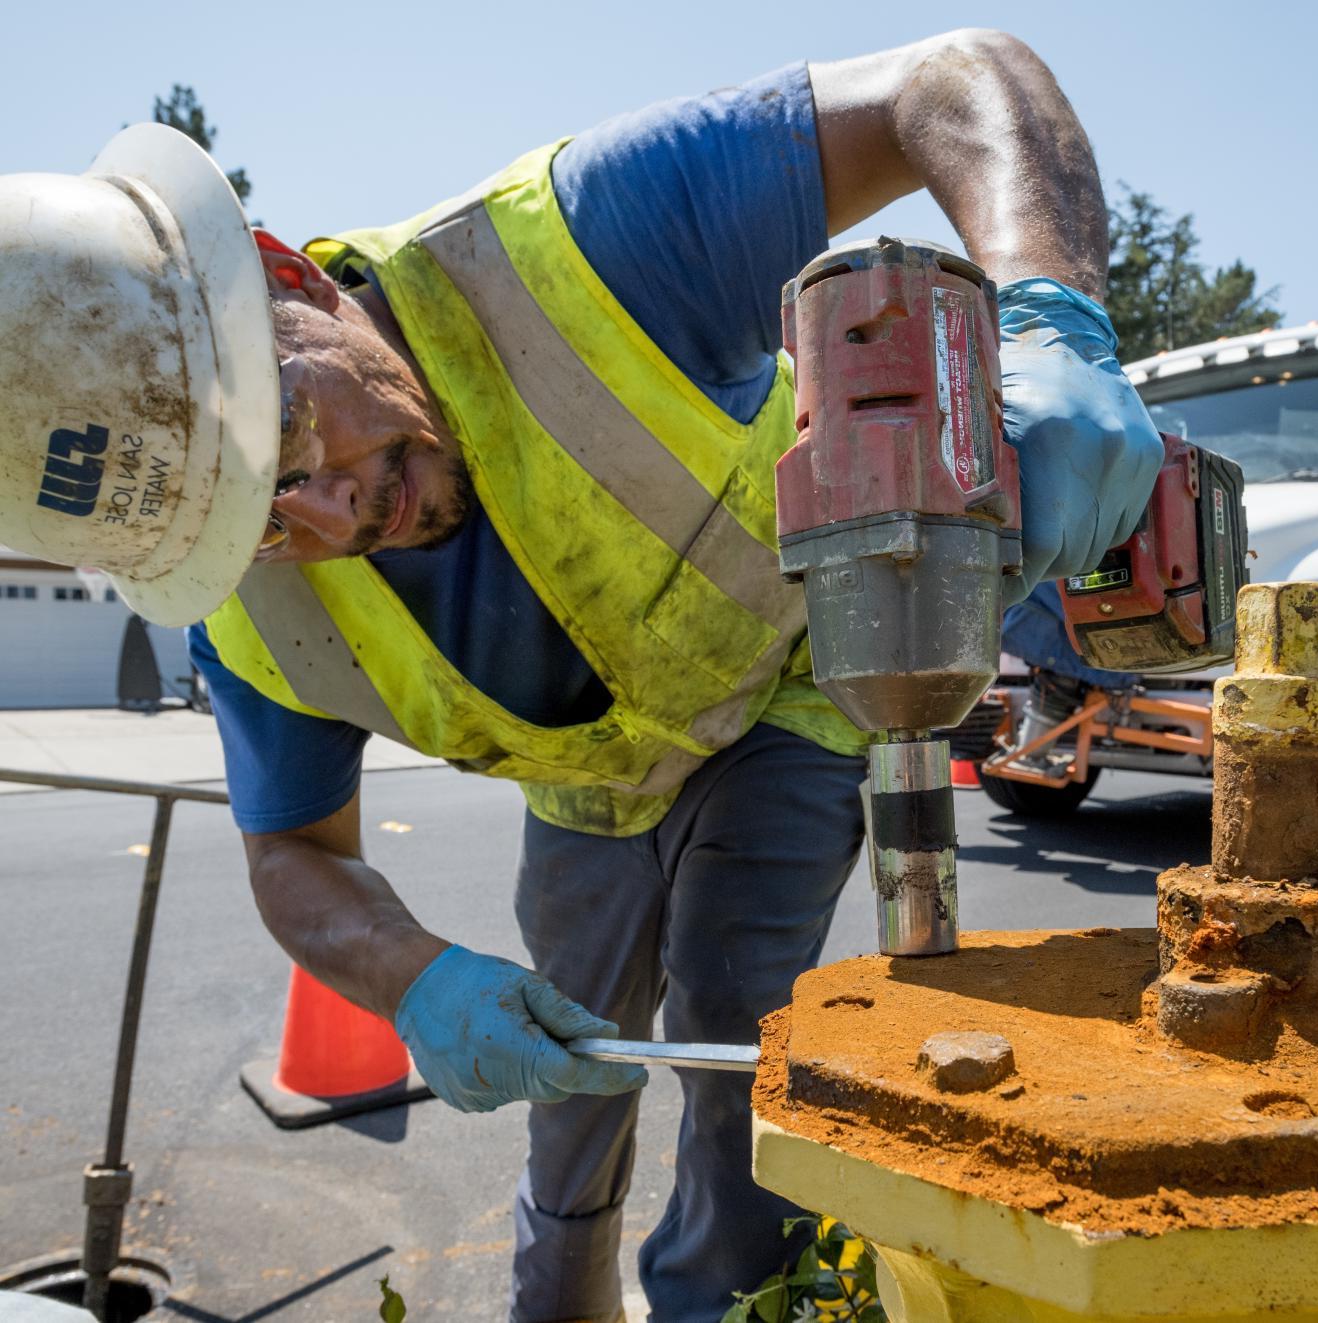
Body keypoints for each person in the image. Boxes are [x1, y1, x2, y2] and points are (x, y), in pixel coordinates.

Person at [0, 29, 1160, 1323]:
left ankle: (725, 1303)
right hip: (590, 796)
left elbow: (955, 80)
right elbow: (290, 856)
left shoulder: (585, 247)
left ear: (289, 276)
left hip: (786, 684)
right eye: (257, 514)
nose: (330, 513)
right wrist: (413, 976)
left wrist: (1056, 324)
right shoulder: (252, 620)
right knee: (573, 1073)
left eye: (287, 423)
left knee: (737, 1034)